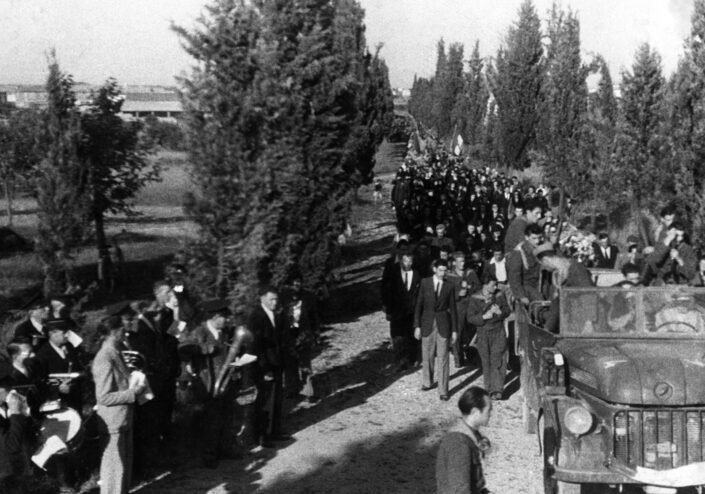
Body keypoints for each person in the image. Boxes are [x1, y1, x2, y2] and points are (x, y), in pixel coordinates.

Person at [179, 299, 239, 467]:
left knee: (226, 415)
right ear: (215, 317)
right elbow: (183, 349)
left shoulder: (224, 332)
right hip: (207, 383)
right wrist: (205, 349)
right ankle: (209, 454)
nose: (227, 321)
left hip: (225, 381)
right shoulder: (200, 331)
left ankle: (225, 448)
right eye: (224, 317)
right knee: (211, 420)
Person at [92, 316, 146, 494]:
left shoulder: (115, 352)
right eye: (122, 329)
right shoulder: (104, 357)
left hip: (122, 419)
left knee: (123, 470)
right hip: (113, 422)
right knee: (113, 472)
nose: (125, 331)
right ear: (114, 332)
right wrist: (133, 393)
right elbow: (104, 397)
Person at [249, 286, 288, 448]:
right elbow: (256, 346)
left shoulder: (275, 314)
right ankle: (261, 435)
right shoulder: (256, 317)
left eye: (276, 299)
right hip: (265, 366)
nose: (275, 302)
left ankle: (275, 431)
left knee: (277, 398)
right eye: (271, 299)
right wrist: (265, 368)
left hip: (277, 362)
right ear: (262, 298)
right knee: (265, 401)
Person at [414, 259, 458, 401]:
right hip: (427, 323)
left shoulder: (449, 286)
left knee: (443, 357)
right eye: (440, 270)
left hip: (443, 324)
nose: (442, 273)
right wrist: (417, 326)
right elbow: (418, 306)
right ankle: (427, 381)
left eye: (445, 270)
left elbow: (453, 309)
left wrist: (455, 330)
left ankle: (443, 390)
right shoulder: (425, 283)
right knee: (427, 354)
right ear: (434, 269)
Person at [436, 386, 492, 494]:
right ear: (475, 411)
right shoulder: (458, 444)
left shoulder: (471, 435)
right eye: (488, 410)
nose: (490, 414)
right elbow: (459, 489)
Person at [466, 278, 511, 400]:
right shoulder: (475, 298)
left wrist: (500, 312)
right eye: (493, 285)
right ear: (485, 285)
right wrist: (484, 316)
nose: (496, 287)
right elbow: (470, 318)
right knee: (486, 362)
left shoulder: (500, 296)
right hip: (483, 333)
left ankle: (497, 390)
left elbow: (507, 311)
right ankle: (488, 388)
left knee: (498, 359)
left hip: (498, 330)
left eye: (496, 285)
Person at [535, 245, 594, 334]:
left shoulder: (576, 268)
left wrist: (589, 322)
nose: (545, 268)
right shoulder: (558, 273)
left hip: (583, 319)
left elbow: (589, 295)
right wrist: (548, 328)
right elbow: (557, 302)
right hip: (570, 318)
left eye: (543, 265)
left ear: (546, 260)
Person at [381, 249, 421, 370]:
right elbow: (388, 294)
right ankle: (400, 361)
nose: (408, 264)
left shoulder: (417, 275)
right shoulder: (394, 275)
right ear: (401, 261)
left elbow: (419, 294)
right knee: (398, 336)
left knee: (411, 336)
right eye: (406, 261)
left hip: (411, 312)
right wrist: (388, 310)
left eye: (410, 261)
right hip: (397, 312)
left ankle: (412, 358)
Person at [34, 318, 83, 413]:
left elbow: (78, 369)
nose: (67, 335)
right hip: (55, 405)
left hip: (75, 401)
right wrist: (58, 389)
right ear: (53, 333)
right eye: (64, 332)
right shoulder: (42, 355)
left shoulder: (71, 348)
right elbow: (39, 382)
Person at [0, 367, 33, 493]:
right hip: (5, 477)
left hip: (16, 472)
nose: (11, 393)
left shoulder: (4, 407)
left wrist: (23, 414)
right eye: (6, 388)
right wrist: (15, 413)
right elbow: (11, 445)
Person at [446, 252, 480, 368]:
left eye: (464, 261)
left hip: (470, 307)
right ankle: (458, 358)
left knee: (471, 331)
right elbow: (446, 293)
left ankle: (471, 355)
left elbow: (478, 289)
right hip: (457, 307)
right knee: (457, 333)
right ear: (454, 262)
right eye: (460, 261)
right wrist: (458, 294)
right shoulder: (449, 276)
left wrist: (470, 289)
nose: (462, 263)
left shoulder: (471, 273)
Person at [507, 224, 543, 307]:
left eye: (540, 238)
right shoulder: (519, 253)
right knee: (541, 307)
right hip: (526, 288)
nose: (537, 241)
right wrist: (521, 296)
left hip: (540, 285)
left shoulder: (542, 249)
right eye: (534, 238)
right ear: (527, 237)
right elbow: (514, 277)